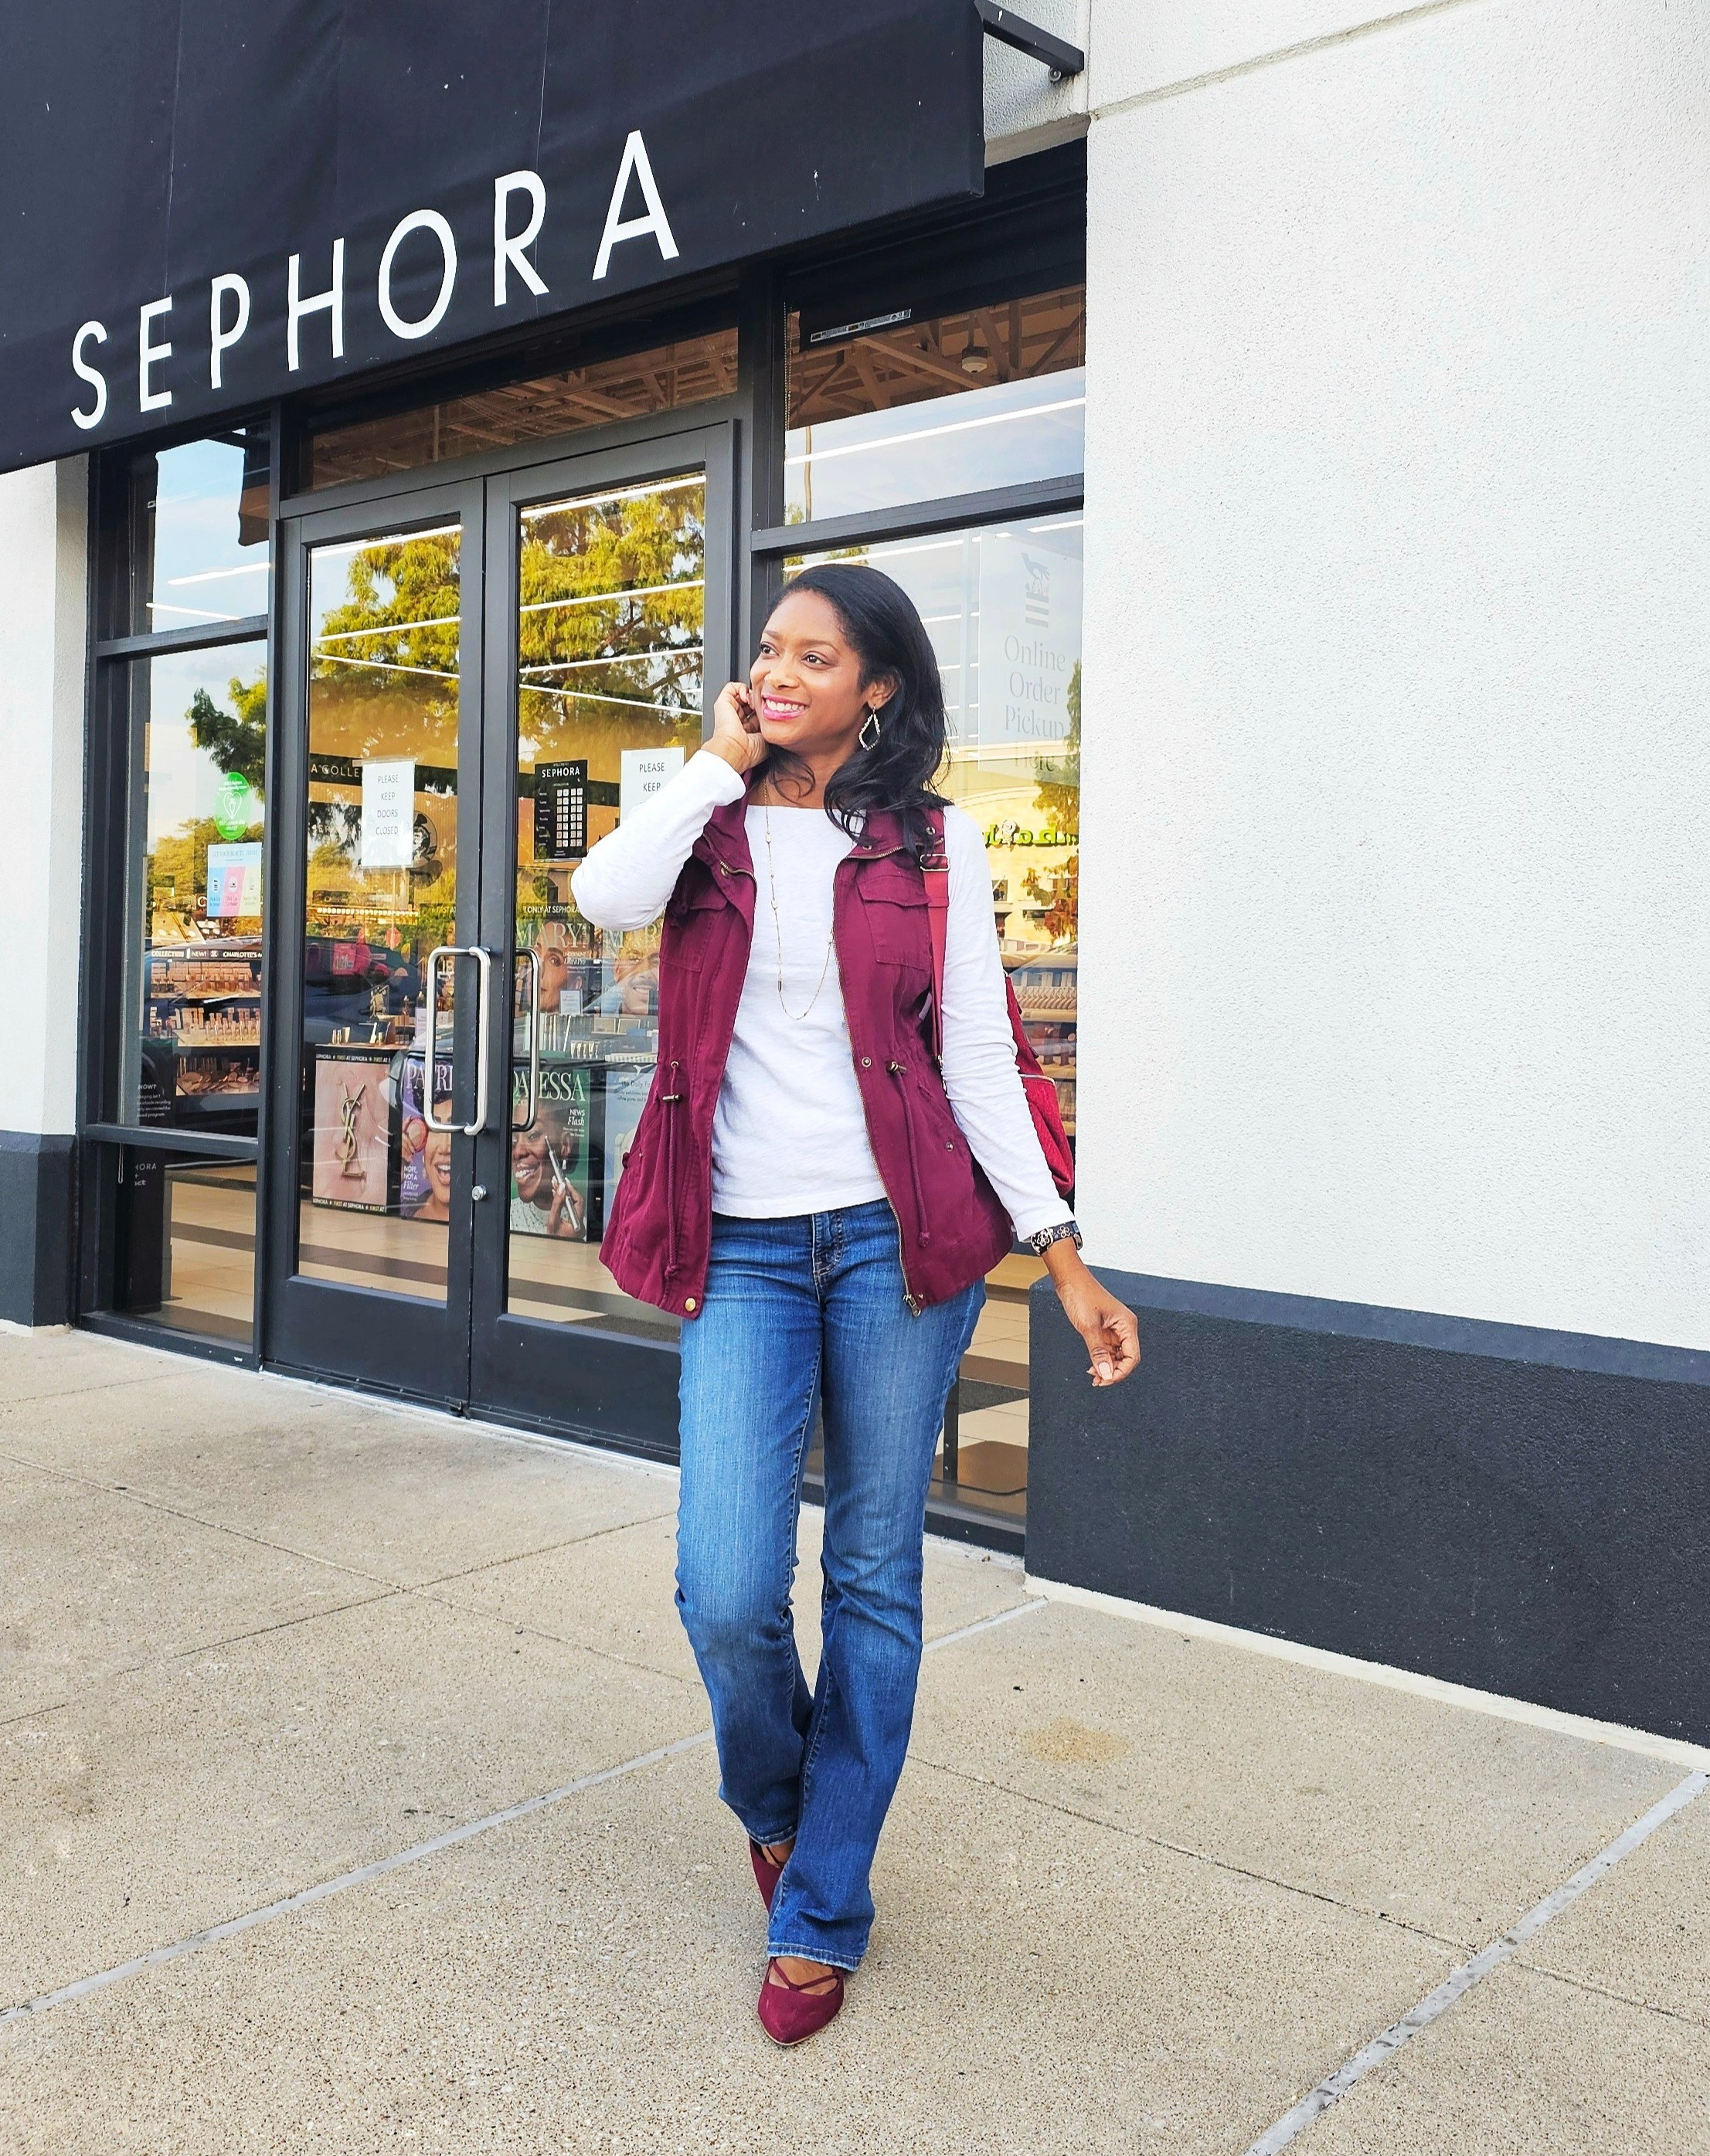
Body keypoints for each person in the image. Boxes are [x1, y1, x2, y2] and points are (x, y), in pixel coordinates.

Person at [570, 563, 1139, 2047]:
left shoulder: (931, 845)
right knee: (727, 1587)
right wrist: (719, 759)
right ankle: (779, 1803)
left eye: (811, 658)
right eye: (766, 651)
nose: (777, 672)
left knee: (876, 1573)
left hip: (897, 1244)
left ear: (876, 685)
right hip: (742, 1244)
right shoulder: (706, 827)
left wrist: (1059, 1250)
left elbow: (976, 1056)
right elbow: (599, 893)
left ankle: (822, 1900)